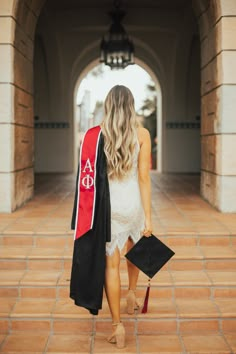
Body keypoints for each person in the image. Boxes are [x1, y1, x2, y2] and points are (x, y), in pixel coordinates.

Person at [101, 85, 152, 348]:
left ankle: (117, 326)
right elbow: (143, 177)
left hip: (109, 206)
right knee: (134, 246)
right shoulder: (142, 134)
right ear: (131, 106)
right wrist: (148, 218)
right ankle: (131, 294)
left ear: (108, 105)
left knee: (111, 264)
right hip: (133, 203)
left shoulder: (97, 135)